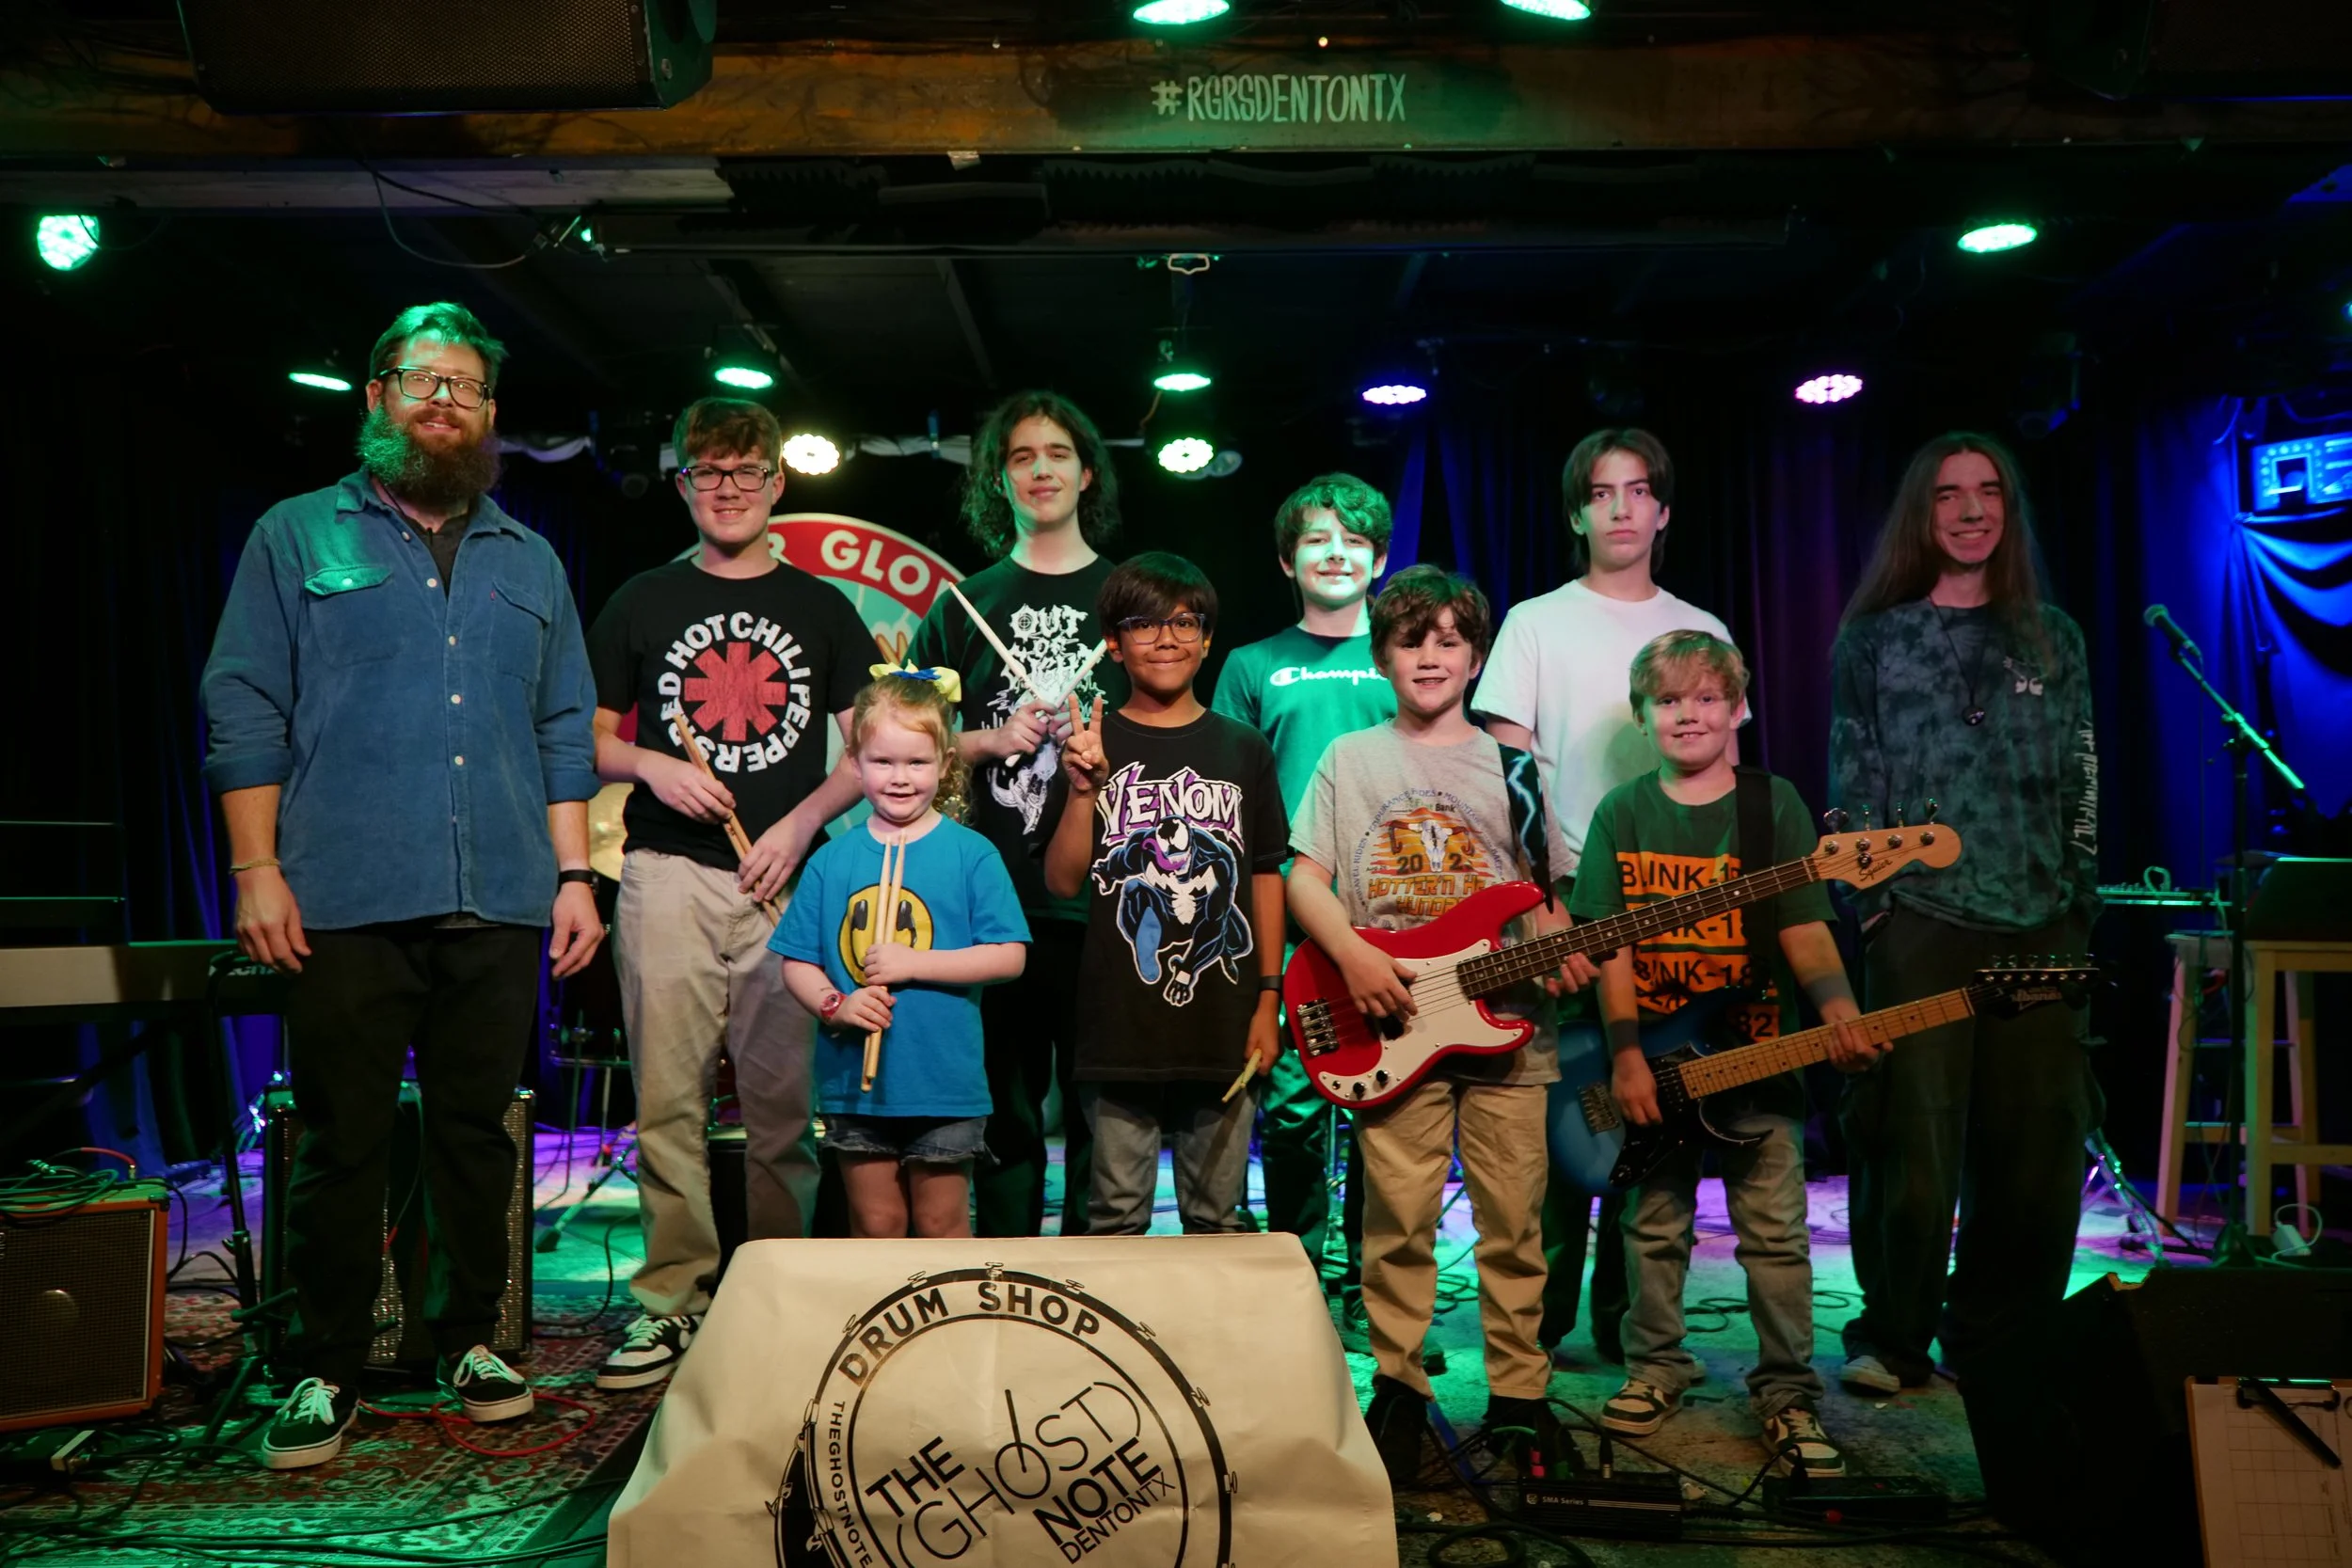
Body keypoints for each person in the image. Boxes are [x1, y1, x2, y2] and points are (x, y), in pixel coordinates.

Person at [201, 302, 601, 1469]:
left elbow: (565, 725)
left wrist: (574, 874)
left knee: (481, 1128)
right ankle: (322, 1364)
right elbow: (242, 704)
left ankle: (470, 1335)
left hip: (505, 891)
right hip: (343, 888)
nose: (444, 400)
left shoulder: (528, 559)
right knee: (342, 1137)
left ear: (487, 415)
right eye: (422, 379)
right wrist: (255, 867)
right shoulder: (294, 534)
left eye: (465, 387)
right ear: (375, 396)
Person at [583, 398, 871, 1392]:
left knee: (786, 1108)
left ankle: (776, 1294)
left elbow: (870, 749)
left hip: (785, 880)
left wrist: (797, 826)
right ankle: (671, 1301)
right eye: (708, 474)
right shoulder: (641, 599)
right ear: (683, 485)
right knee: (667, 1102)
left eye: (747, 473)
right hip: (665, 875)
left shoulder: (823, 606)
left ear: (777, 484)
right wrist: (655, 768)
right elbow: (592, 737)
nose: (729, 490)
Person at [1288, 565, 1594, 1486]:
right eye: (1413, 639)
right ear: (1382, 654)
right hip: (1391, 1023)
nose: (1431, 655)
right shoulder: (1349, 757)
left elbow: (1543, 892)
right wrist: (1354, 955)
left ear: (1475, 656)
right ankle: (1398, 1383)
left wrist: (1561, 938)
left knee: (1513, 1221)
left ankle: (1518, 1394)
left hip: (1510, 1028)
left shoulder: (1513, 765)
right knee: (1399, 1219)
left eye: (1451, 639)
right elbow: (1304, 876)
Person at [1830, 432, 2100, 1394]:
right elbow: (1851, 779)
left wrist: (2077, 895)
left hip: (2040, 919)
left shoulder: (2053, 635)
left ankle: (2002, 1332)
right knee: (1909, 1143)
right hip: (1918, 918)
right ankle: (1893, 1334)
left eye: (1988, 490)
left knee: (2035, 1147)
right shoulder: (1875, 638)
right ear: (1921, 512)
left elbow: (2081, 777)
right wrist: (1871, 910)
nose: (1971, 508)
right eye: (1948, 493)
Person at [1579, 630, 1879, 1479]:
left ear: (1739, 707)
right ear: (1643, 716)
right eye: (1669, 700)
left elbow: (1805, 929)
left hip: (1757, 1058)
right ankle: (1656, 1366)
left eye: (1707, 697)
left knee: (1777, 1235)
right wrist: (1628, 1055)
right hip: (1659, 1066)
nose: (1688, 714)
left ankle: (1787, 1389)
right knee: (1653, 1224)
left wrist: (1841, 1010)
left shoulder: (1772, 804)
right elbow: (1611, 947)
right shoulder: (1623, 812)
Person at [1473, 426, 1734, 1368]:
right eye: (1600, 492)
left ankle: (1631, 1323)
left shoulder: (1701, 627)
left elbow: (1724, 776)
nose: (1619, 508)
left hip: (1672, 907)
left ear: (1662, 510)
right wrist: (1537, 899)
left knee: (1652, 1117)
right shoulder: (1536, 622)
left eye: (1637, 491)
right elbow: (1503, 771)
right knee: (1554, 1121)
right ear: (1576, 511)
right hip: (1564, 905)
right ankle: (1532, 1330)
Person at [908, 390, 1127, 1238]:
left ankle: (1088, 1277)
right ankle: (1005, 1276)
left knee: (1098, 1105)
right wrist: (993, 737)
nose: (1041, 469)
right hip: (987, 899)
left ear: (1086, 470)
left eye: (1058, 453)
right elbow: (904, 742)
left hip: (1106, 897)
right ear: (999, 480)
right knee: (1002, 1110)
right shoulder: (963, 604)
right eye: (1021, 456)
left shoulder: (1124, 597)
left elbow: (1168, 736)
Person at [1044, 553, 1287, 1236]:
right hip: (1117, 1024)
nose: (1167, 637)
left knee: (1218, 1216)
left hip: (1225, 1020)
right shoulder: (1090, 741)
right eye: (1144, 623)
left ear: (1208, 639)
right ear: (1114, 643)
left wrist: (1269, 995)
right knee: (1116, 1213)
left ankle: (1211, 1347)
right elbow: (1063, 880)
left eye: (1185, 622)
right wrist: (1085, 789)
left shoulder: (1243, 748)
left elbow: (1266, 871)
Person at [1206, 473, 1396, 1295]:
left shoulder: (1404, 656)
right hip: (1281, 907)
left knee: (1385, 1106)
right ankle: (1298, 1283)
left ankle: (1376, 1284)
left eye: (1353, 540)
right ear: (1287, 559)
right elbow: (1227, 795)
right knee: (1291, 1105)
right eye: (1317, 539)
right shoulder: (1254, 664)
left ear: (1379, 559)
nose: (1335, 553)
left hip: (1389, 909)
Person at [772, 670, 1030, 1237]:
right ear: (855, 764)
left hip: (945, 1080)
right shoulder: (831, 860)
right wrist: (835, 1004)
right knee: (876, 1225)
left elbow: (1010, 955)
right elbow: (796, 960)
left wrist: (915, 963)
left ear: (945, 764)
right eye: (883, 762)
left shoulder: (972, 854)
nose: (900, 778)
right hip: (854, 1087)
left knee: (943, 1226)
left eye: (917, 763)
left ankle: (954, 1330)